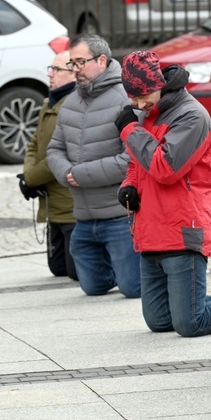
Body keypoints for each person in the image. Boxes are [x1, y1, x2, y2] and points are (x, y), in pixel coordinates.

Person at [116, 51, 211, 336]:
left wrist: (129, 130)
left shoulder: (192, 116)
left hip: (181, 231)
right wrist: (128, 185)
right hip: (150, 231)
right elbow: (137, 162)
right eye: (133, 100)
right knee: (160, 321)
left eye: (140, 98)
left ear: (157, 86)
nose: (137, 105)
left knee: (191, 323)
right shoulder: (150, 112)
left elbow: (165, 167)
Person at [46, 34, 141, 298]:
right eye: (72, 64)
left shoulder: (126, 99)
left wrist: (80, 175)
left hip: (119, 216)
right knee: (93, 287)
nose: (75, 70)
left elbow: (131, 158)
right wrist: (65, 173)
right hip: (84, 218)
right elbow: (54, 148)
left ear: (101, 60)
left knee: (133, 289)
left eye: (80, 62)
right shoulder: (71, 103)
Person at [18, 50, 77, 280]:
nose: (50, 74)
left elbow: (59, 155)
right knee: (57, 268)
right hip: (52, 207)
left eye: (57, 70)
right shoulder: (48, 104)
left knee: (77, 273)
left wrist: (30, 179)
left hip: (70, 208)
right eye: (50, 68)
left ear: (73, 75)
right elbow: (34, 144)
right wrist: (27, 174)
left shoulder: (73, 107)